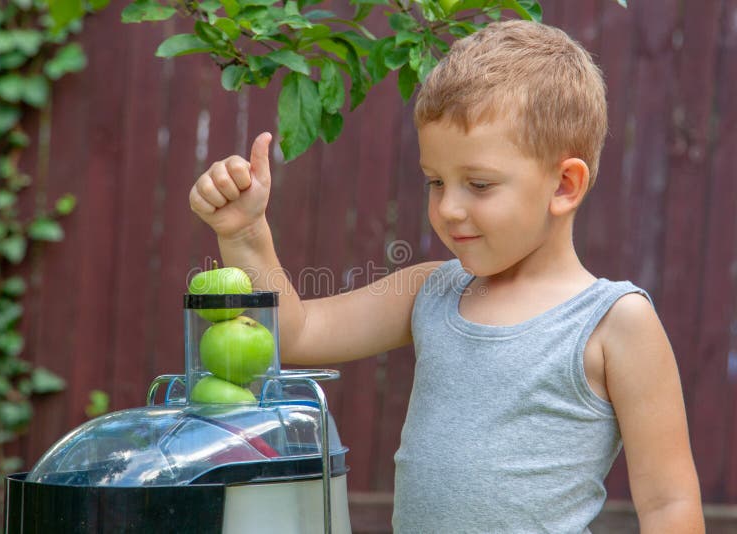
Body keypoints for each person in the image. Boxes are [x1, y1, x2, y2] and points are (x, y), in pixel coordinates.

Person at [189, 19, 704, 534]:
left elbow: (669, 505)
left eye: (478, 184)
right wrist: (246, 234)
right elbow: (298, 332)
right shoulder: (430, 289)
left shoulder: (613, 322)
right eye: (436, 181)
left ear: (565, 185)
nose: (449, 208)